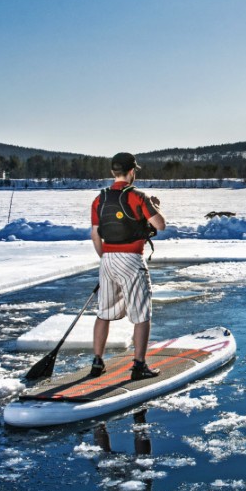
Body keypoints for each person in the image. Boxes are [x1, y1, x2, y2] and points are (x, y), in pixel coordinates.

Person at [90, 152, 166, 380]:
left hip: (107, 259)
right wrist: (154, 206)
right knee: (142, 313)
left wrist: (106, 259)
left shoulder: (99, 198)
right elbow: (160, 225)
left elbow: (95, 235)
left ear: (114, 172)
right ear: (132, 171)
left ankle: (97, 362)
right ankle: (139, 366)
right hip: (132, 259)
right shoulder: (138, 197)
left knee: (103, 313)